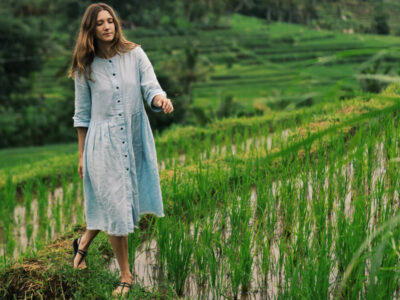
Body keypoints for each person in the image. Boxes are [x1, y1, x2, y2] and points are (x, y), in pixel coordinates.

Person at [68, 2, 173, 298]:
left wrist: (160, 101)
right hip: (101, 145)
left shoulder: (135, 54)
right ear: (91, 29)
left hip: (133, 138)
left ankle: (82, 244)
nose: (107, 26)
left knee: (119, 204)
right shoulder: (84, 67)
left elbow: (151, 88)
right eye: (100, 22)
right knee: (114, 205)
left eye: (110, 20)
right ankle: (126, 276)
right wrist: (81, 156)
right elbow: (82, 116)